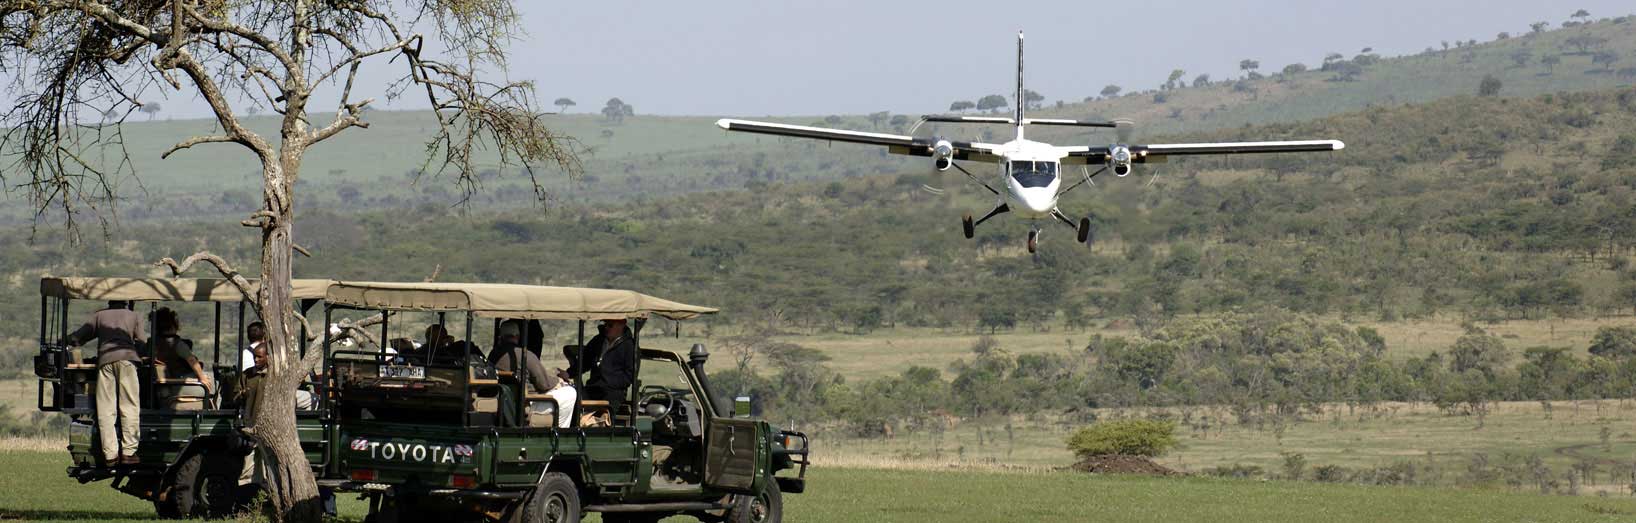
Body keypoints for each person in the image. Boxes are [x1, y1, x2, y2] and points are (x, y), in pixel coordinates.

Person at [62, 300, 145, 466]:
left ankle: (111, 455)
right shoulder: (134, 316)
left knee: (106, 409)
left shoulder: (99, 315)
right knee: (129, 406)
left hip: (105, 362)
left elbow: (78, 337)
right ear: (126, 302)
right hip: (128, 361)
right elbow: (142, 342)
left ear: (110, 301)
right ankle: (129, 452)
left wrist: (63, 339)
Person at [491, 320, 576, 428]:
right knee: (570, 392)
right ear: (517, 336)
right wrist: (560, 381)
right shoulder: (524, 355)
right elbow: (544, 384)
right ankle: (561, 431)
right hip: (527, 403)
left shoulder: (493, 355)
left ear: (501, 336)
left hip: (507, 403)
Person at [563, 318, 636, 412]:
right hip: (593, 388)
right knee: (572, 401)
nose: (606, 328)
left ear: (622, 325)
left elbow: (629, 377)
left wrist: (608, 382)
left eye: (610, 325)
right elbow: (584, 362)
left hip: (613, 392)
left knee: (604, 410)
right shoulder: (598, 340)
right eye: (605, 324)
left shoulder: (630, 346)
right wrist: (568, 373)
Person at [150, 308, 215, 410]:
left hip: (165, 385)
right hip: (177, 384)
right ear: (172, 324)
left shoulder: (153, 342)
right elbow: (192, 360)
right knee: (212, 381)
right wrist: (202, 377)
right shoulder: (176, 344)